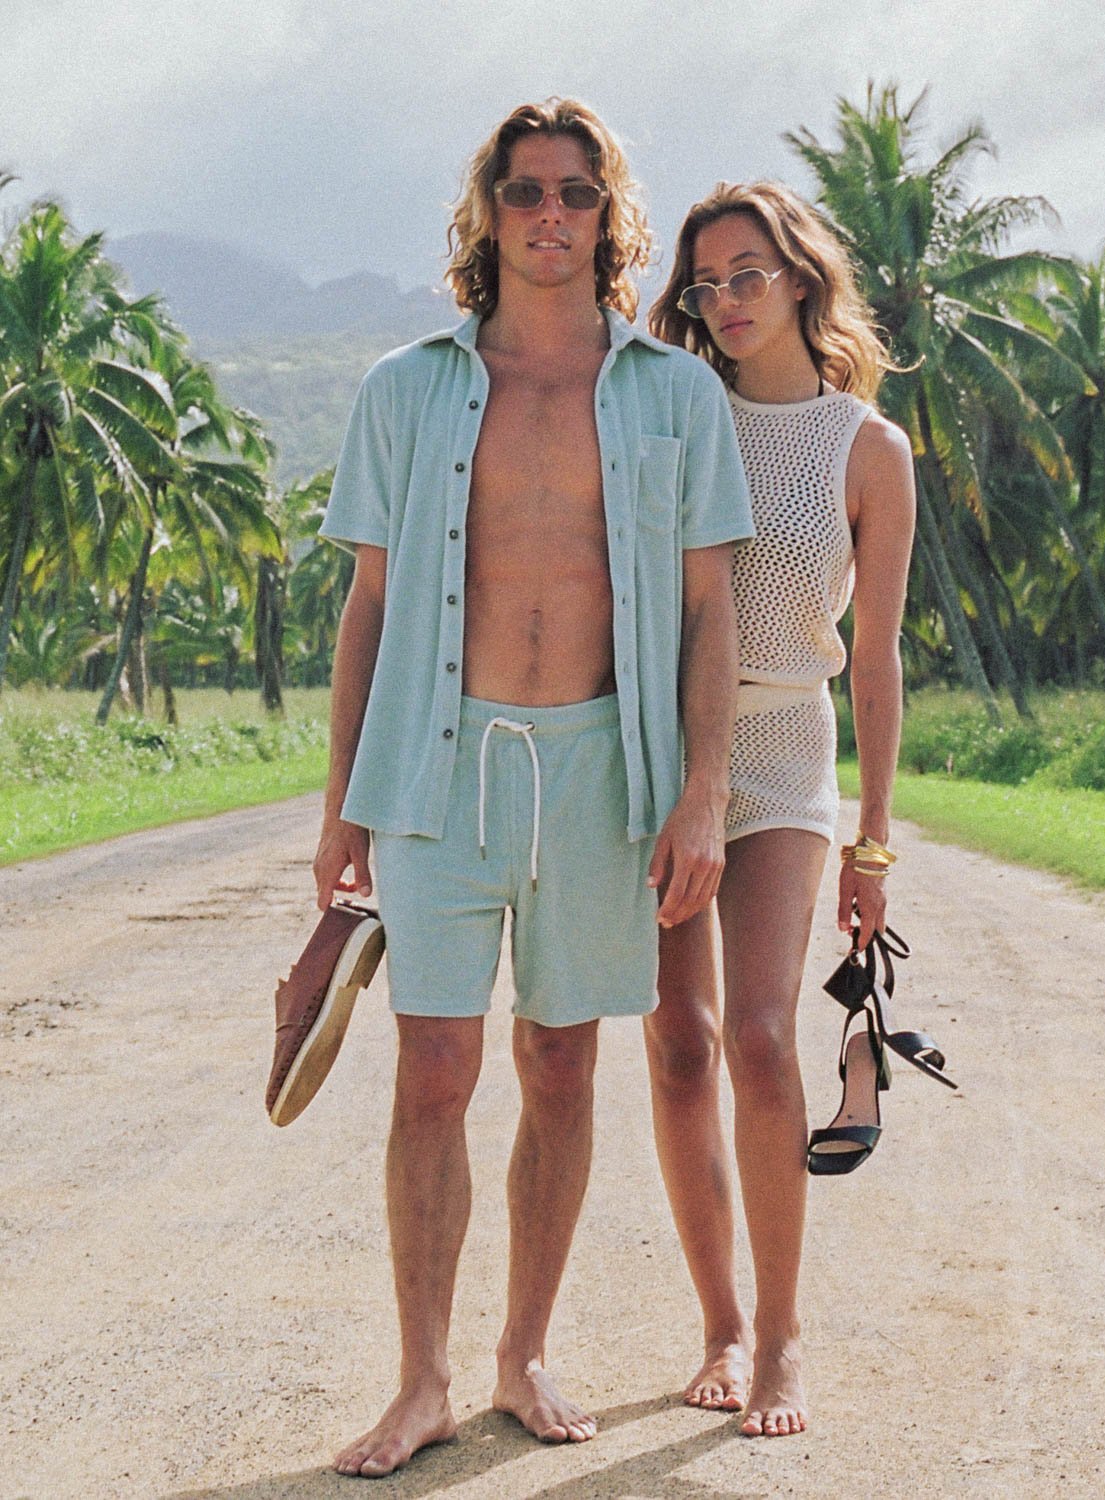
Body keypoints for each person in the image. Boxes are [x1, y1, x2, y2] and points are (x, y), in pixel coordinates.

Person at [311, 102, 754, 1478]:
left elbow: (707, 610)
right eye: (522, 194)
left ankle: (523, 1351)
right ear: (489, 216)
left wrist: (700, 797)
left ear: (607, 219)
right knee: (432, 1070)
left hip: (601, 768)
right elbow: (370, 607)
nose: (548, 216)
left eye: (573, 193)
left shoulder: (674, 395)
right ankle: (422, 1378)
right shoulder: (409, 388)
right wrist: (341, 806)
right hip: (441, 767)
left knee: (563, 1062)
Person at [644, 181, 916, 1437]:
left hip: (789, 746)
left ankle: (785, 1336)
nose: (727, 301)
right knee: (678, 1042)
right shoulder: (675, 412)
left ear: (802, 279)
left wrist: (874, 840)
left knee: (761, 1035)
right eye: (707, 284)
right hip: (661, 748)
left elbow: (875, 659)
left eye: (748, 274)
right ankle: (719, 1323)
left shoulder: (869, 447)